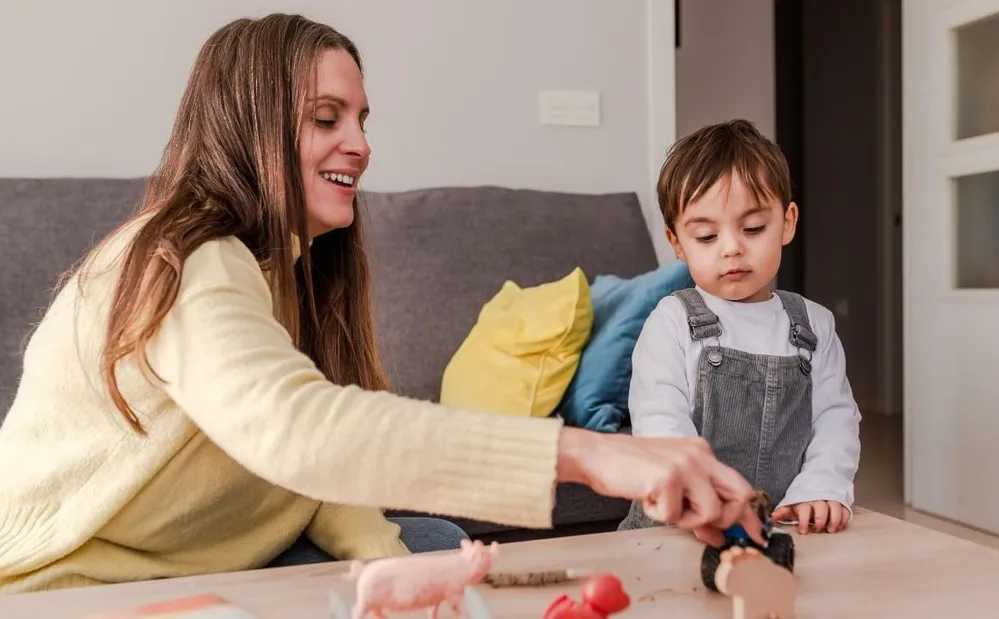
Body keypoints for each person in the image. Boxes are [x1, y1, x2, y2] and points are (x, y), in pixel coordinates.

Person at [0, 14, 764, 593]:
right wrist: (600, 453)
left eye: (362, 121)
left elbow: (312, 481)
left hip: (208, 550)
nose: (359, 144)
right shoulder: (186, 259)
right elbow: (301, 433)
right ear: (250, 124)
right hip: (73, 582)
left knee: (431, 541)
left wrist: (396, 571)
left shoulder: (286, 271)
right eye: (326, 118)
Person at [617, 120, 861, 535]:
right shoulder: (672, 321)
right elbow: (659, 422)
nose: (732, 247)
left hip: (780, 526)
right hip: (678, 528)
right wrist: (696, 493)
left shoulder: (813, 325)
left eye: (752, 229)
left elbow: (836, 420)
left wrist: (821, 487)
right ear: (677, 243)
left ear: (787, 222)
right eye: (707, 236)